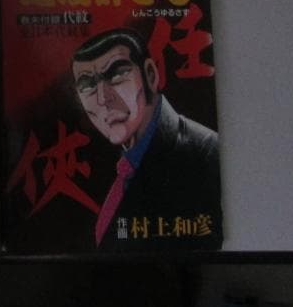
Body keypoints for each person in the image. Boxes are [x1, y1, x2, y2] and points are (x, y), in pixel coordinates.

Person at [71, 28, 222, 249]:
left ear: (150, 75)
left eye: (117, 74)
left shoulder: (207, 154)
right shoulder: (127, 162)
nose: (103, 98)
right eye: (87, 85)